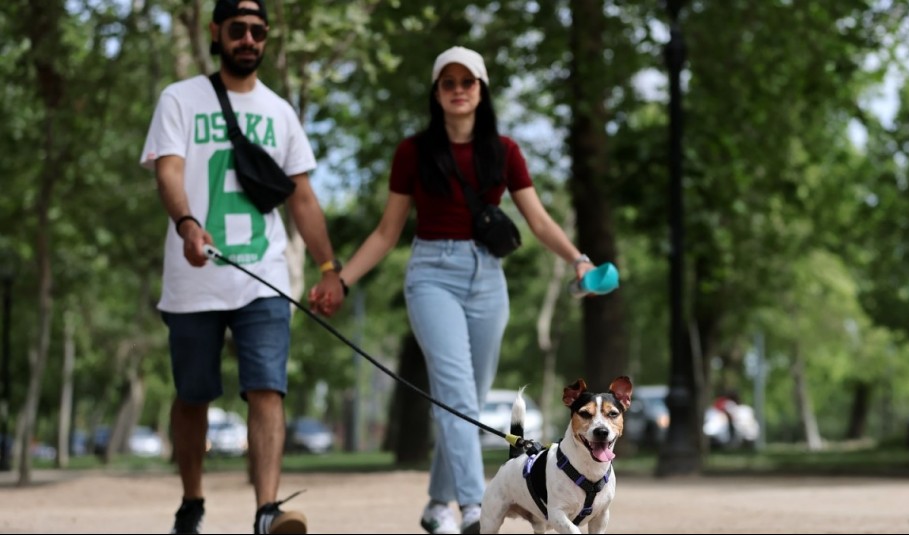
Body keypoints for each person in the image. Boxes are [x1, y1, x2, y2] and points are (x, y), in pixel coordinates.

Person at [309, 45, 596, 535]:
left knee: (465, 397)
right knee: (458, 397)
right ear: (437, 92)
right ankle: (471, 506)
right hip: (431, 274)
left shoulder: (504, 152)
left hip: (488, 278)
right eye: (449, 83)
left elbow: (539, 219)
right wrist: (340, 278)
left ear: (481, 91)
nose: (459, 90)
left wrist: (578, 259)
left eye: (468, 82)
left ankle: (436, 503)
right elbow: (385, 232)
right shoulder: (413, 153)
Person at [139, 1, 345, 533]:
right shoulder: (179, 99)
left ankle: (266, 511)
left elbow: (302, 197)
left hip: (265, 276)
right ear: (216, 32)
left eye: (258, 31)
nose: (249, 38)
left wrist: (328, 267)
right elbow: (169, 170)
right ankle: (192, 503)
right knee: (193, 394)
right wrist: (186, 223)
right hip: (193, 276)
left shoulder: (280, 111)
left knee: (267, 388)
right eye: (238, 29)